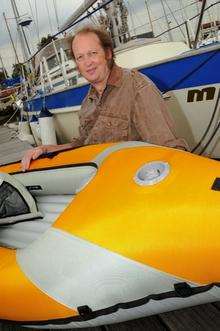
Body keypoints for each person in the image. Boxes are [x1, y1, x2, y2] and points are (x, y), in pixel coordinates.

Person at [21, 25, 188, 171]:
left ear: (107, 53)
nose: (87, 63)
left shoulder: (137, 88)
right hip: (103, 178)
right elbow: (82, 146)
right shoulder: (88, 101)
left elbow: (170, 151)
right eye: (80, 57)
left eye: (92, 53)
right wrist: (46, 150)